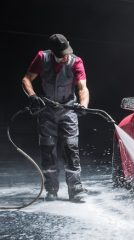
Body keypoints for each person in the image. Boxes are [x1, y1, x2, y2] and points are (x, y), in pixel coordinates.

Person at [22, 33, 90, 202]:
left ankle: (75, 190)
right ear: (53, 52)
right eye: (61, 55)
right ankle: (51, 189)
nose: (65, 57)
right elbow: (26, 79)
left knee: (71, 148)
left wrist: (83, 105)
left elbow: (82, 88)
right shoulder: (42, 58)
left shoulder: (76, 61)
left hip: (68, 109)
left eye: (67, 52)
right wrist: (32, 96)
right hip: (47, 110)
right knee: (48, 150)